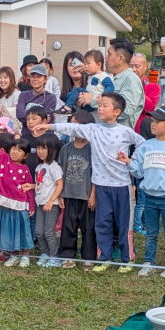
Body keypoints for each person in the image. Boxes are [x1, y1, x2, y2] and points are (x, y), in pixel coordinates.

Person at [53, 93, 143, 273]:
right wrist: (48, 126)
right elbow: (70, 128)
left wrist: (131, 161)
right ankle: (105, 258)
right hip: (101, 186)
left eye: (105, 106)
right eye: (99, 105)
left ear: (117, 111)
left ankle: (126, 259)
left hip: (121, 186)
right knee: (102, 223)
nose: (100, 109)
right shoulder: (93, 129)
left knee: (123, 224)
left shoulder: (125, 131)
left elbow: (143, 144)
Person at [129, 106, 165, 279]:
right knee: (151, 232)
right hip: (149, 196)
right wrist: (128, 162)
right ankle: (149, 262)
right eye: (152, 121)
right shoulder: (145, 146)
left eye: (157, 121)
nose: (152, 124)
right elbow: (138, 171)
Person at [0, 132, 35, 266]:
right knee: (8, 229)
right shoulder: (3, 159)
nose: (15, 152)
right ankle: (13, 255)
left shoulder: (25, 170)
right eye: (14, 148)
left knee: (22, 229)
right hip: (6, 205)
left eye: (20, 151)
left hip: (20, 205)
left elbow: (29, 189)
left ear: (26, 155)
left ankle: (25, 255)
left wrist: (31, 205)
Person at [57, 111, 97, 267]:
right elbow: (61, 172)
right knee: (68, 226)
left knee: (88, 228)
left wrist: (93, 195)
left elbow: (96, 174)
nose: (72, 127)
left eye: (76, 124)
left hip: (86, 195)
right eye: (71, 123)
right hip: (69, 194)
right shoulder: (66, 148)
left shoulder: (93, 149)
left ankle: (88, 257)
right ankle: (68, 255)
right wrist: (60, 195)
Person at [32, 134, 64, 267]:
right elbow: (42, 184)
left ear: (52, 149)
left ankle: (55, 256)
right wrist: (31, 186)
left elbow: (60, 184)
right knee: (39, 231)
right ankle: (45, 253)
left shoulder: (54, 166)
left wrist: (51, 201)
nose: (40, 151)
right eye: (38, 148)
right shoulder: (39, 167)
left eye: (44, 148)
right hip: (40, 203)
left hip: (51, 205)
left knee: (49, 232)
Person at [106, 40, 144, 129]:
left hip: (117, 139)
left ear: (120, 59)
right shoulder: (110, 78)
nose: (106, 57)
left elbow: (125, 111)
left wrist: (95, 101)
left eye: (109, 54)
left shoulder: (131, 79)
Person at [130, 53, 161, 134]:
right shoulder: (124, 84)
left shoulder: (153, 87)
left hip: (141, 130)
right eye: (130, 66)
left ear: (145, 67)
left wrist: (137, 88)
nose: (133, 69)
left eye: (137, 66)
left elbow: (149, 108)